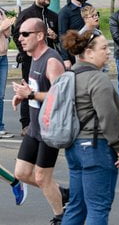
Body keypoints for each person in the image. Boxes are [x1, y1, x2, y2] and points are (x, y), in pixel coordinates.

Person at [61, 29, 119, 225]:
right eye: (104, 48)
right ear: (89, 52)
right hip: (96, 147)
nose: (108, 52)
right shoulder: (98, 79)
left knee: (76, 206)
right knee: (98, 207)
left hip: (73, 146)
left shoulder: (69, 75)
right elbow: (108, 116)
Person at [11, 18, 67, 225]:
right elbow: (36, 88)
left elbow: (60, 95)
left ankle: (61, 216)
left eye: (25, 34)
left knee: (43, 178)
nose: (20, 38)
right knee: (22, 173)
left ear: (40, 36)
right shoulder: (33, 56)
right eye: (19, 34)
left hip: (50, 129)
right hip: (35, 128)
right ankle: (61, 192)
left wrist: (31, 94)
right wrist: (25, 94)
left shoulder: (52, 61)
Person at [13, 0, 59, 134]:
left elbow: (60, 37)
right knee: (29, 88)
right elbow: (17, 36)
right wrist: (26, 52)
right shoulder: (27, 14)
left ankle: (47, 120)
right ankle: (26, 123)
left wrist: (54, 36)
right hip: (30, 59)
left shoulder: (53, 16)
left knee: (47, 89)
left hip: (48, 58)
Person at [59, 0, 91, 70]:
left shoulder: (89, 7)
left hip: (90, 52)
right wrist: (65, 59)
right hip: (75, 55)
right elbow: (62, 36)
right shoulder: (64, 12)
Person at [0, 10, 14, 136]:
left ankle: (0, 126)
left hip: (3, 57)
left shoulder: (1, 12)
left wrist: (7, 25)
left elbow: (7, 34)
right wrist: (3, 26)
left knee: (1, 95)